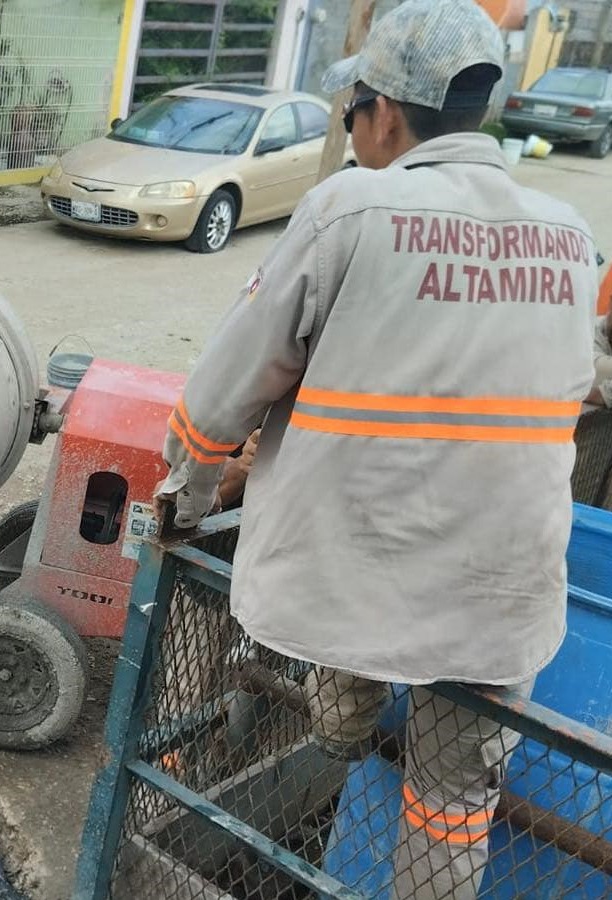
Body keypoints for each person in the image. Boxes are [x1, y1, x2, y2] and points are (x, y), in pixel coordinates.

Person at [153, 1, 596, 897]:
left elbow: (219, 399)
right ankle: (356, 720)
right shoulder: (569, 235)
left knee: (348, 560)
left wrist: (185, 500)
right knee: (451, 803)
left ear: (383, 111)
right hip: (499, 601)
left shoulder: (350, 208)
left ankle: (342, 706)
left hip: (350, 580)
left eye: (352, 111)